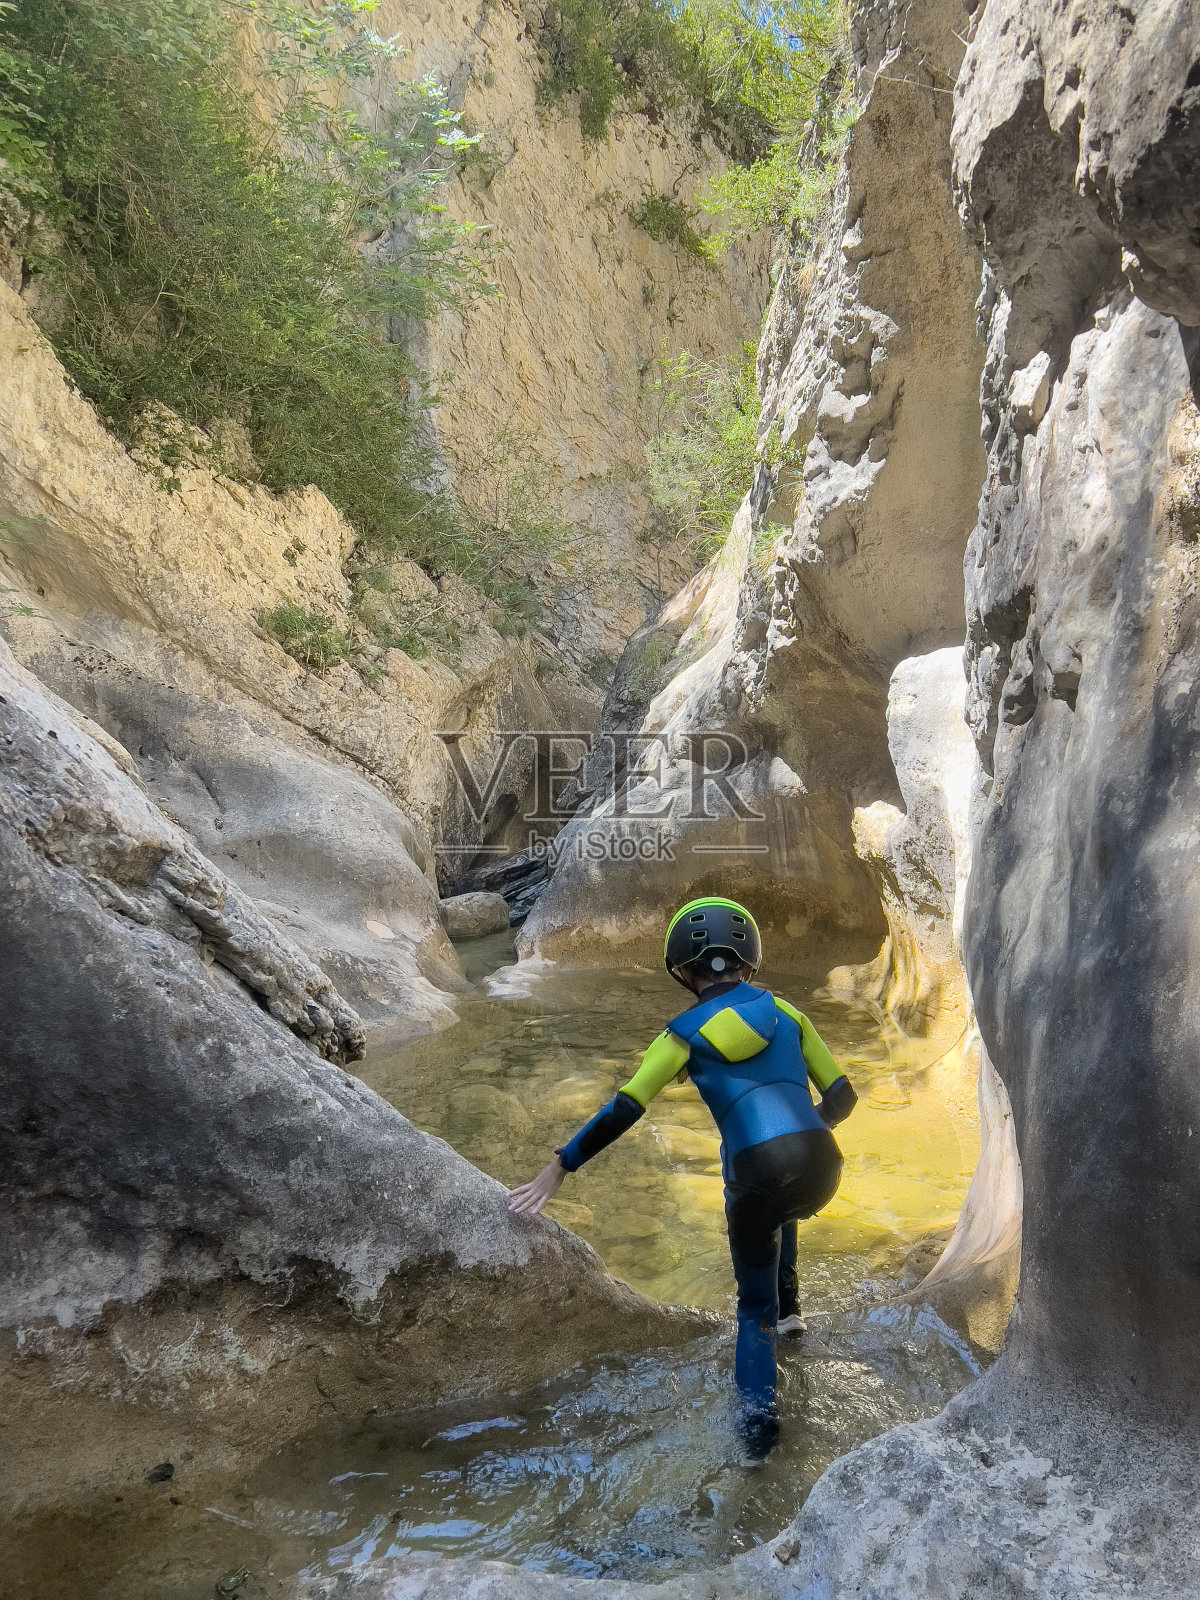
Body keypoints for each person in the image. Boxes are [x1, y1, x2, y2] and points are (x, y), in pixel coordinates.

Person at [507, 896, 857, 1457]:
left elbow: (625, 1107)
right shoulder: (788, 1012)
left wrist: (560, 1166)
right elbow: (843, 1094)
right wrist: (808, 1135)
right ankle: (794, 1315)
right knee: (781, 1195)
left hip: (757, 1174)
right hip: (823, 1162)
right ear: (748, 964)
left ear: (685, 971)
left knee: (751, 1308)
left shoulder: (681, 1036)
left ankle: (758, 1447)